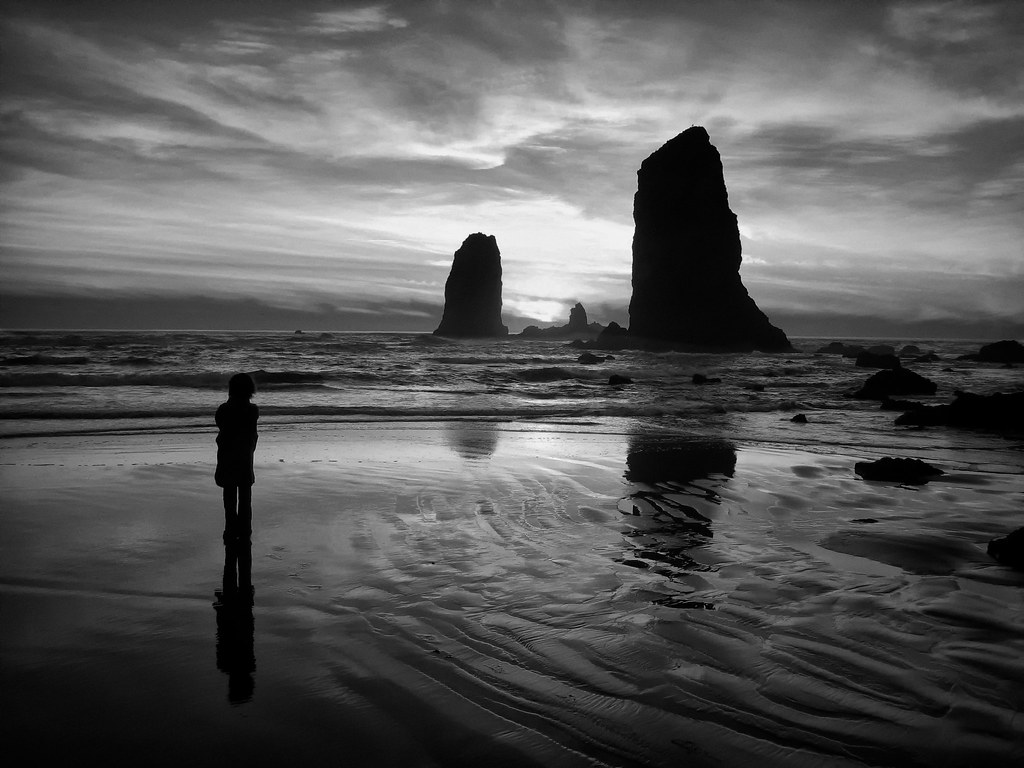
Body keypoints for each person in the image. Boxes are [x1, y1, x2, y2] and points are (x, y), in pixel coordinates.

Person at [215, 373, 259, 543]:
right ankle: (245, 529)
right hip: (245, 457)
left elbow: (220, 423)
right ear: (250, 391)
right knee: (245, 497)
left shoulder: (224, 410)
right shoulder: (252, 410)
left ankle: (231, 528)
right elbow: (252, 434)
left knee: (229, 496)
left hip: (228, 457)